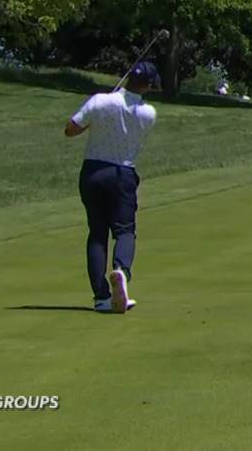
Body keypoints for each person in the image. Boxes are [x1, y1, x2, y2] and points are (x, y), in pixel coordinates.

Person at [64, 62, 159, 314]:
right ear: (148, 86)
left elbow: (70, 130)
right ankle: (121, 270)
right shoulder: (148, 113)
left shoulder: (99, 101)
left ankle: (101, 298)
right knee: (125, 230)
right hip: (123, 174)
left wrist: (95, 113)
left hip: (93, 172)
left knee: (97, 234)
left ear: (127, 77)